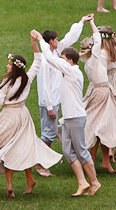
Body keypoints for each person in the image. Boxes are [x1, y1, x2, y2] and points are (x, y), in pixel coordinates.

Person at [0, 37, 62, 198]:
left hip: (9, 116)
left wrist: (2, 99)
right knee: (24, 148)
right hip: (23, 116)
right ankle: (28, 179)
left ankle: (11, 185)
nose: (7, 66)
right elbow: (37, 62)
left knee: (8, 149)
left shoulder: (6, 82)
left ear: (14, 67)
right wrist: (33, 44)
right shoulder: (26, 78)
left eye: (9, 64)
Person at [35, 30, 101, 197]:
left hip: (75, 118)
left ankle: (94, 182)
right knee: (68, 151)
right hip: (69, 119)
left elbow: (50, 59)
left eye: (63, 59)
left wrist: (39, 40)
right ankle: (82, 182)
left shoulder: (72, 71)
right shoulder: (71, 72)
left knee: (81, 151)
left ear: (70, 61)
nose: (60, 62)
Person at [79, 16, 116, 173]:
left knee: (104, 126)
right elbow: (112, 38)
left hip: (105, 88)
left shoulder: (100, 54)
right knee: (101, 126)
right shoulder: (103, 53)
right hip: (103, 89)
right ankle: (100, 159)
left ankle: (104, 160)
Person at [36, 15, 90, 151]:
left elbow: (69, 38)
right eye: (56, 39)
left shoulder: (56, 51)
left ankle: (43, 163)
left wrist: (81, 22)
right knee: (48, 134)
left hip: (55, 100)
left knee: (51, 133)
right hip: (50, 102)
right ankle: (41, 165)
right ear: (50, 42)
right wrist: (49, 107)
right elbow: (44, 85)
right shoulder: (45, 61)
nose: (58, 41)